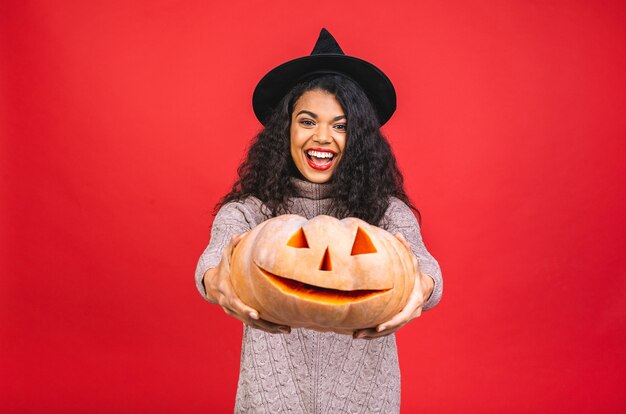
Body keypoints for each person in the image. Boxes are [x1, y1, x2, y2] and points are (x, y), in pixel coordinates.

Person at [195, 28, 442, 413]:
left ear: (357, 139)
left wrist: (419, 292)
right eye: (308, 121)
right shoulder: (249, 212)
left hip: (364, 403)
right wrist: (219, 284)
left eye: (340, 126)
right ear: (286, 129)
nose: (323, 137)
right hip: (270, 402)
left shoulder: (386, 212)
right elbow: (213, 264)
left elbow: (426, 269)